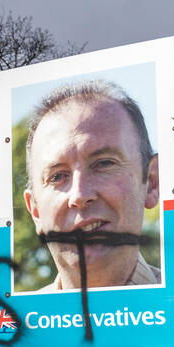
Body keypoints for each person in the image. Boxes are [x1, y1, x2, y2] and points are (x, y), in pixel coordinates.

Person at [20, 81, 161, 291]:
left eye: (104, 163)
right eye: (57, 176)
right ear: (36, 211)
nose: (79, 195)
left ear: (151, 183)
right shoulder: (14, 322)